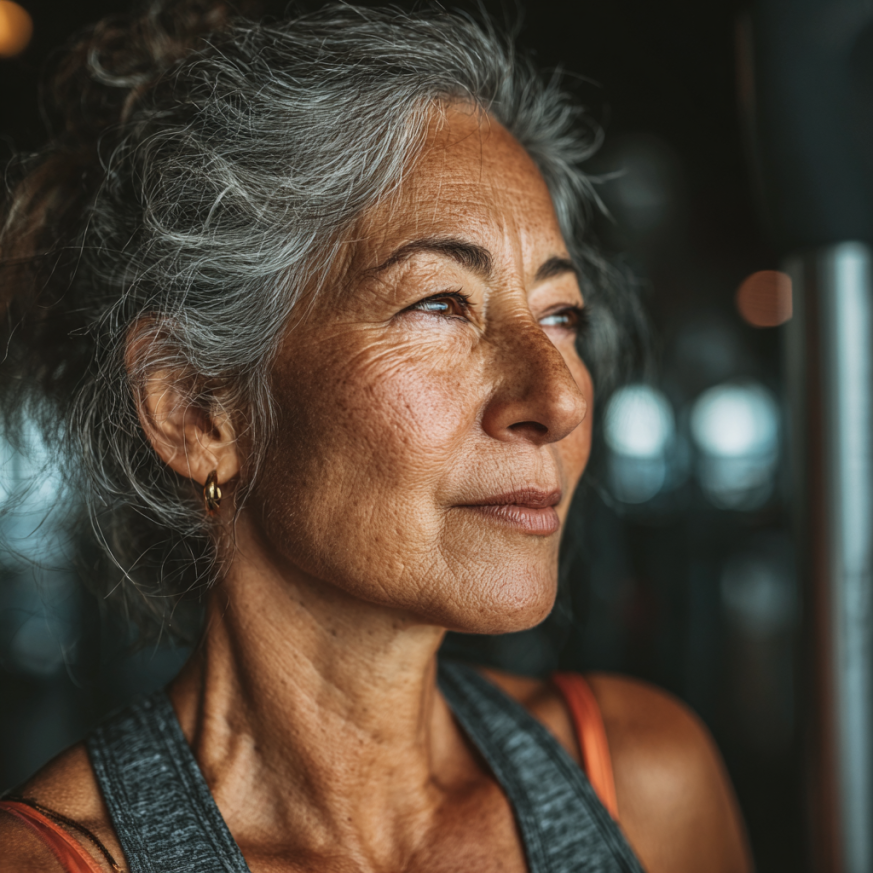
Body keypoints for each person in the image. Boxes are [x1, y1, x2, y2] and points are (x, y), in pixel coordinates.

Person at [0, 2, 752, 871]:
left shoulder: (642, 781)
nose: (557, 396)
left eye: (560, 314)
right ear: (198, 408)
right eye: (440, 303)